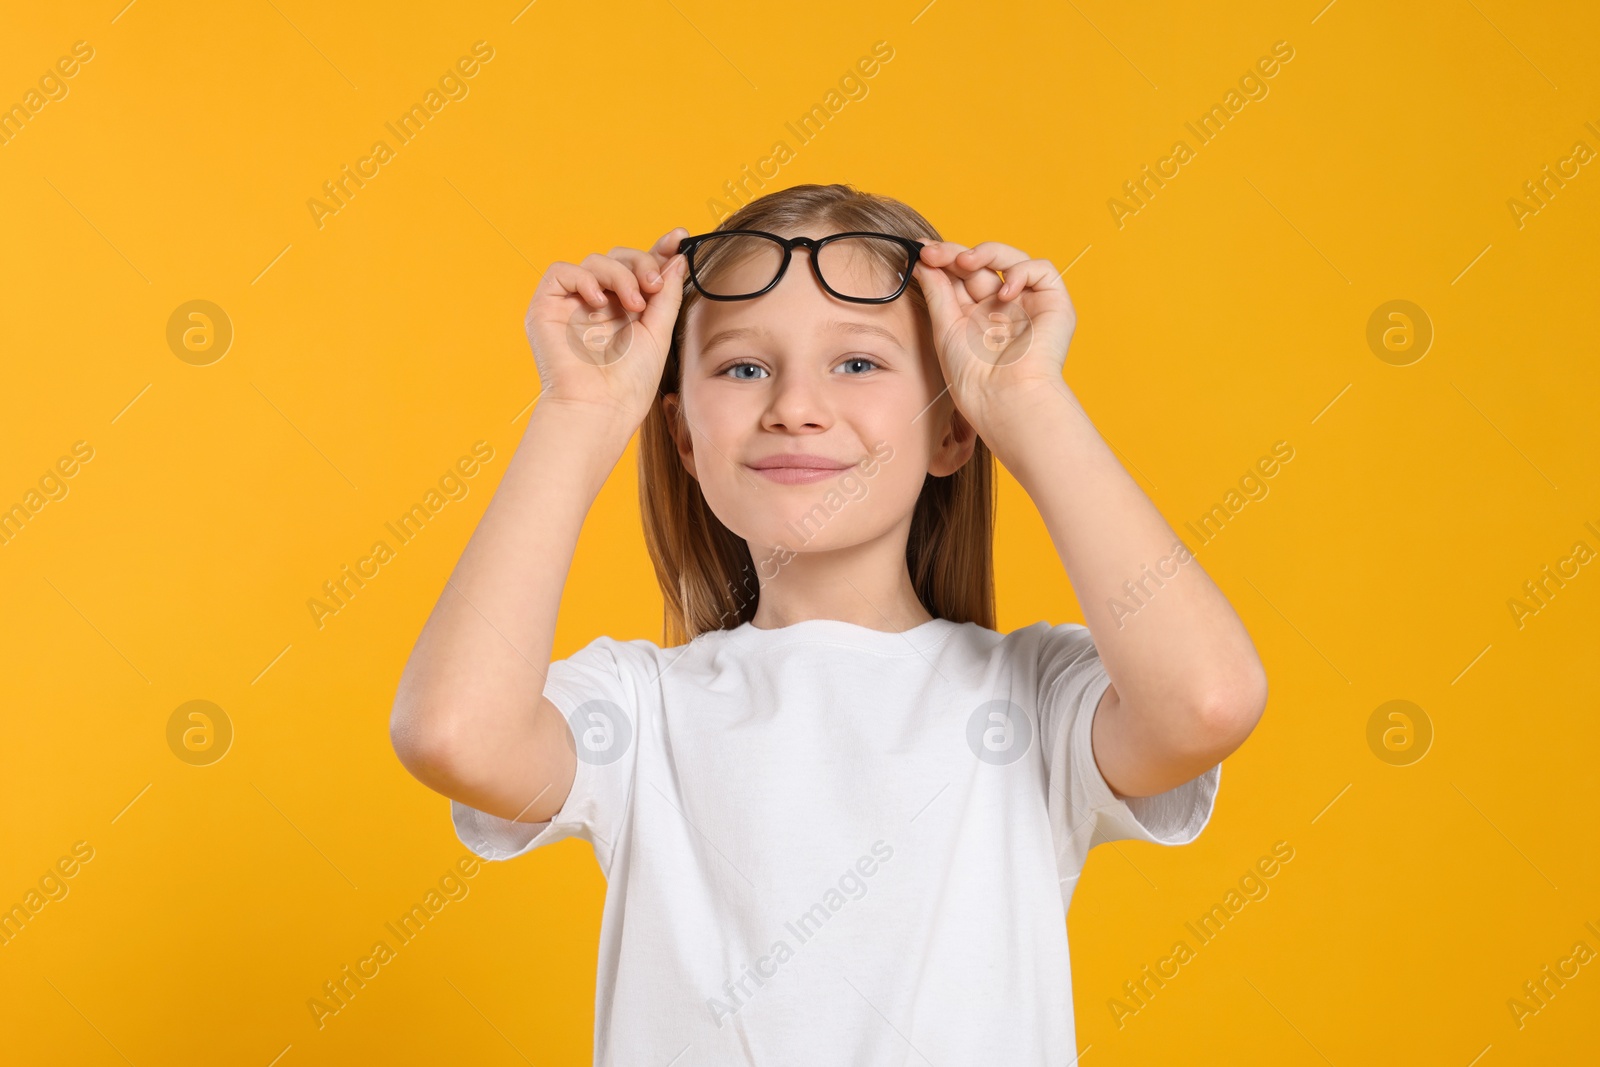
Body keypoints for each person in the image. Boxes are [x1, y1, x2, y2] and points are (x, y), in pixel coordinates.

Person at [389, 182, 1267, 1064]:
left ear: (953, 430)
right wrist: (579, 412)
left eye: (857, 363)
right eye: (742, 367)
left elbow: (1207, 701)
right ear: (684, 439)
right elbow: (454, 734)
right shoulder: (643, 710)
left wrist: (1026, 398)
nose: (794, 405)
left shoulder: (1033, 701)